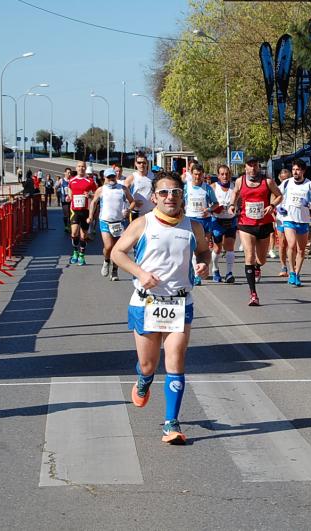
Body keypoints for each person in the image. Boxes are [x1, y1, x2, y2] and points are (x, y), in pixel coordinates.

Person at [111, 171, 211, 444]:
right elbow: (117, 253)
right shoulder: (143, 224)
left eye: (176, 192)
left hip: (180, 302)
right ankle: (143, 381)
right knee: (148, 364)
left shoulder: (193, 227)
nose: (170, 197)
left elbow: (203, 251)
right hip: (146, 302)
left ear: (183, 196)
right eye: (164, 193)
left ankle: (171, 424)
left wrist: (204, 264)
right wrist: (140, 273)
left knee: (176, 360)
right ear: (154, 197)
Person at [229, 156, 283, 306]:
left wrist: (272, 206)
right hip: (246, 223)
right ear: (245, 167)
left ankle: (258, 267)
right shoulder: (240, 181)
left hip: (264, 224)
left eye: (255, 165)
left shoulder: (268, 182)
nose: (253, 168)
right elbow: (235, 192)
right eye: (250, 165)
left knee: (261, 259)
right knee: (249, 256)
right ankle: (253, 294)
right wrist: (232, 204)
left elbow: (279, 196)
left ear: (259, 166)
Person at [88, 168, 136, 281]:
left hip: (119, 222)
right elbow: (94, 202)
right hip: (105, 221)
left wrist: (128, 210)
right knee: (108, 246)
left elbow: (132, 201)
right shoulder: (101, 190)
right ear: (104, 178)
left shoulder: (123, 189)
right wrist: (90, 216)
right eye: (109, 177)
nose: (111, 179)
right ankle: (106, 260)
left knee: (117, 248)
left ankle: (114, 271)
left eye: (113, 177)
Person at [278, 159, 311, 286]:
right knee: (291, 245)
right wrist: (278, 208)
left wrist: (308, 203)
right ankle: (291, 272)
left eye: (298, 170)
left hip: (303, 220)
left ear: (303, 171)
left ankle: (297, 273)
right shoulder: (286, 183)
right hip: (288, 219)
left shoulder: (309, 185)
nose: (295, 172)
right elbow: (277, 196)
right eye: (294, 170)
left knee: (301, 250)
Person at [183, 163, 219, 286]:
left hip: (205, 220)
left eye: (199, 174)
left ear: (203, 175)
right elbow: (181, 202)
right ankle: (196, 274)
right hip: (191, 219)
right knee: (193, 248)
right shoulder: (186, 187)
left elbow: (215, 203)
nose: (197, 177)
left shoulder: (207, 188)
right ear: (191, 174)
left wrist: (209, 210)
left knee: (203, 247)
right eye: (195, 174)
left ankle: (201, 270)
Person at [210, 164, 238, 283]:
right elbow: (207, 204)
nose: (225, 176)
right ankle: (215, 270)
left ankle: (229, 273)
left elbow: (240, 203)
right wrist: (214, 208)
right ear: (218, 176)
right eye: (222, 174)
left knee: (230, 246)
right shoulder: (213, 187)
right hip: (217, 220)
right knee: (217, 248)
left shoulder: (235, 187)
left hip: (231, 220)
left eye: (227, 174)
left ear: (230, 175)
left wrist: (237, 209)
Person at [66, 160, 98, 265]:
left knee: (83, 236)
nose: (81, 168)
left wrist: (90, 196)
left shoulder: (90, 181)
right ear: (76, 168)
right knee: (74, 233)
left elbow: (96, 195)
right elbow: (70, 194)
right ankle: (75, 252)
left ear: (85, 168)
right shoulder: (72, 180)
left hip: (85, 211)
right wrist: (68, 197)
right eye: (79, 166)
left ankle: (82, 255)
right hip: (74, 210)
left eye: (83, 166)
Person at [125, 155, 155, 222]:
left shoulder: (153, 176)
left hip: (151, 212)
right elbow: (123, 194)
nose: (142, 165)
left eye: (144, 163)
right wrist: (132, 202)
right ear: (135, 164)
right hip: (137, 212)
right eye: (139, 162)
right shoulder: (132, 177)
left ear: (147, 163)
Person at [274, 168, 291, 277]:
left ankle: (293, 265)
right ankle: (283, 266)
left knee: (292, 243)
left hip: (292, 218)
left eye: (288, 178)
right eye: (283, 178)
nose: (286, 180)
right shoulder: (277, 189)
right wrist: (277, 208)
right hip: (281, 218)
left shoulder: (295, 187)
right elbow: (273, 202)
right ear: (280, 178)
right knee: (282, 243)